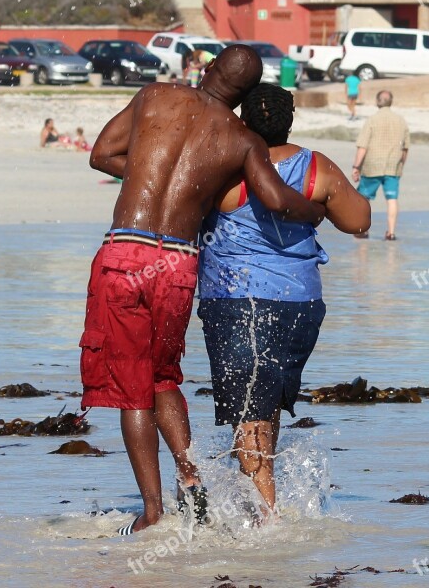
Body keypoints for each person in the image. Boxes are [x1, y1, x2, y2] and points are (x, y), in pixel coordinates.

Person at [81, 45, 326, 535]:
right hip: (178, 261)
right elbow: (277, 200)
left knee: (132, 392)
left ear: (208, 69)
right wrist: (315, 211)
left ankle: (153, 513)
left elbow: (101, 154)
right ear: (245, 95)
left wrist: (149, 173)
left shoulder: (154, 96)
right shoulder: (241, 139)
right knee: (163, 375)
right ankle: (189, 476)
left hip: (125, 254)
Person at [198, 83, 370, 516]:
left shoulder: (228, 168)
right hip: (301, 305)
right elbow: (359, 220)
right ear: (290, 120)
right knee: (265, 403)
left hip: (239, 302)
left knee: (250, 411)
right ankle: (262, 505)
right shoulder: (316, 167)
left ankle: (264, 523)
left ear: (242, 120)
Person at [351, 90, 409, 241]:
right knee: (392, 199)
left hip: (372, 165)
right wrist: (401, 165)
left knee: (364, 198)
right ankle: (391, 232)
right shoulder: (401, 120)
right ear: (391, 102)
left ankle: (362, 230)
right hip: (393, 165)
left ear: (378, 101)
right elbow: (405, 148)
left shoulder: (372, 120)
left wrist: (356, 166)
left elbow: (362, 146)